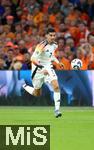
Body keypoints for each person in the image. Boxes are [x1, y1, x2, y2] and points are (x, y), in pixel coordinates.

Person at [23, 28, 64, 118]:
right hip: (37, 70)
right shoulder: (41, 46)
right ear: (46, 36)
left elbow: (51, 55)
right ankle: (25, 86)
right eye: (50, 35)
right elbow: (33, 59)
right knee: (37, 93)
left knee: (56, 86)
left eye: (54, 35)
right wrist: (41, 68)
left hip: (48, 67)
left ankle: (57, 110)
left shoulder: (55, 45)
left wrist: (57, 62)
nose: (53, 37)